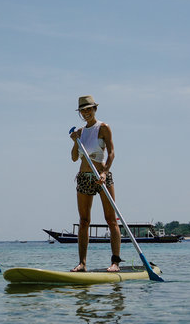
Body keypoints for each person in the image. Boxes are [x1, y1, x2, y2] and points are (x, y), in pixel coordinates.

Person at [69, 95, 121, 272]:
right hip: (84, 177)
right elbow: (75, 158)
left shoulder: (103, 127)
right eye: (83, 110)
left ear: (94, 109)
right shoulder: (81, 132)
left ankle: (115, 263)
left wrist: (105, 172)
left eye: (89, 109)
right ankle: (82, 263)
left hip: (102, 176)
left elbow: (112, 153)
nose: (86, 113)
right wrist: (75, 141)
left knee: (110, 220)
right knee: (84, 221)